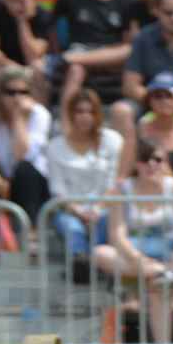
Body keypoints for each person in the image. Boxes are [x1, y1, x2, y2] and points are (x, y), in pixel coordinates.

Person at [92, 138, 173, 344]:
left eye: (157, 159)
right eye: (144, 159)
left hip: (170, 254)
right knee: (100, 253)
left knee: (157, 288)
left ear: (164, 162)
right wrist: (144, 263)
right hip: (133, 256)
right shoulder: (122, 189)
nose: (151, 165)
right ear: (136, 163)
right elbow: (117, 235)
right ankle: (161, 275)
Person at [0, 68, 53, 251]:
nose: (17, 97)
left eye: (23, 92)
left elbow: (23, 155)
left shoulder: (40, 114)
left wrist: (19, 118)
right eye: (11, 92)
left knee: (25, 170)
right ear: (0, 93)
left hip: (28, 183)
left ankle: (31, 234)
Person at [50, 0, 140, 115]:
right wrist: (59, 53)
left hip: (111, 54)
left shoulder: (129, 0)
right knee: (75, 70)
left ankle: (72, 59)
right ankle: (66, 120)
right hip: (81, 51)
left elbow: (130, 43)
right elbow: (53, 31)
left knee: (127, 51)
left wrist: (68, 58)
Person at [46, 89, 124, 269]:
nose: (85, 117)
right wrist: (78, 212)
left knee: (104, 221)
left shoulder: (112, 140)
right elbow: (57, 190)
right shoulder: (55, 146)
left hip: (104, 207)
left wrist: (97, 208)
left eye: (90, 112)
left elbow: (113, 182)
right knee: (72, 228)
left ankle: (99, 265)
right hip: (69, 209)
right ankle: (81, 264)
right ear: (71, 114)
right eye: (80, 111)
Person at [122, 72, 173, 189]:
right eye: (157, 96)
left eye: (169, 95)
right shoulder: (137, 132)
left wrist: (170, 179)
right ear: (149, 100)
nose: (164, 100)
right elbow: (122, 176)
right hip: (143, 199)